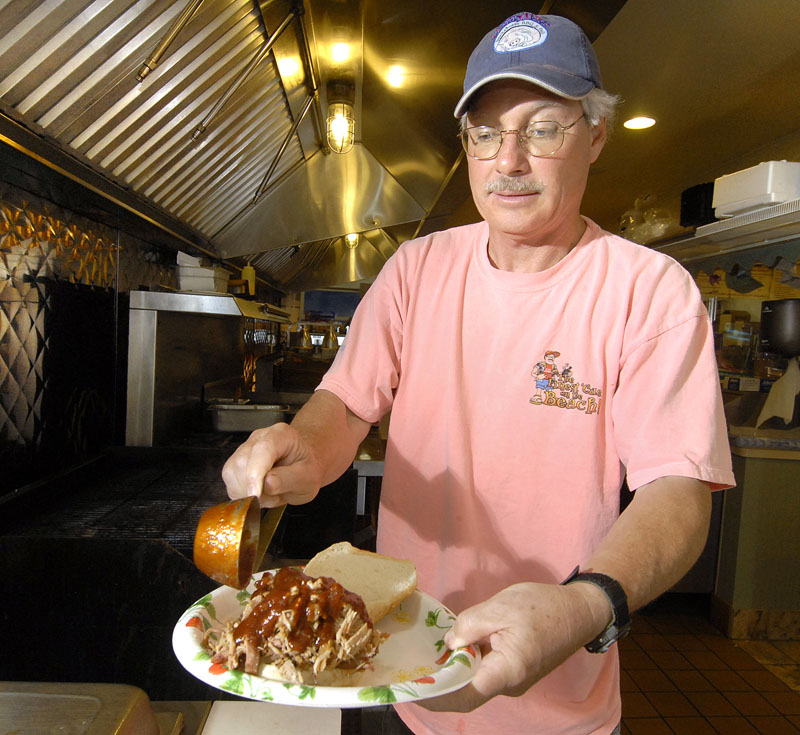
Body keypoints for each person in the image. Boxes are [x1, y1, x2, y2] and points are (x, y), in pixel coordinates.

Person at [222, 11, 735, 735]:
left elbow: (678, 492)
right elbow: (342, 405)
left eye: (543, 127)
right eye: (486, 132)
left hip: (560, 710)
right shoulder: (416, 270)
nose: (510, 159)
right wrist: (304, 448)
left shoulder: (649, 291)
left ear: (595, 135)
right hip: (396, 676)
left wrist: (585, 603)